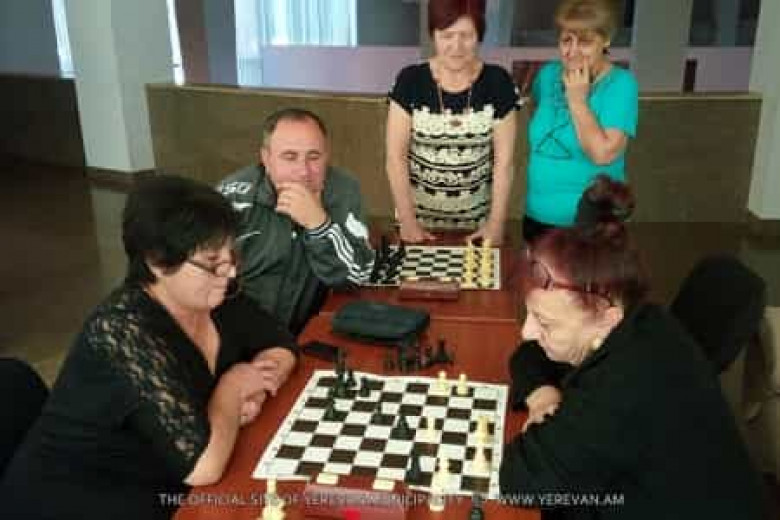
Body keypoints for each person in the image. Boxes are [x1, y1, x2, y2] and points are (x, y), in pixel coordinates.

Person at [1, 176, 299, 520]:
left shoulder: (213, 294)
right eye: (212, 260)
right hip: (77, 501)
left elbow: (280, 342)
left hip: (168, 488)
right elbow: (203, 467)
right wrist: (233, 388)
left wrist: (258, 387)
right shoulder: (123, 330)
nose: (229, 272)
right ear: (157, 261)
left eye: (231, 254)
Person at [500, 180, 767, 519]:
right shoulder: (639, 319)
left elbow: (519, 481)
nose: (527, 331)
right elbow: (528, 355)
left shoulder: (624, 383)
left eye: (544, 322)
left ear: (606, 318)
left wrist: (550, 428)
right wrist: (543, 398)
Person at [217, 108, 374, 336]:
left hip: (308, 336)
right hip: (237, 333)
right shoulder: (232, 198)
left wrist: (319, 225)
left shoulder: (343, 190)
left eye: (314, 157)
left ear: (327, 156)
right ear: (266, 158)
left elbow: (359, 277)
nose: (303, 171)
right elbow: (201, 286)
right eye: (290, 157)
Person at [386, 0, 518, 245]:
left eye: (466, 36)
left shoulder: (498, 81)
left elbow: (505, 163)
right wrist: (407, 221)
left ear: (479, 35)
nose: (456, 47)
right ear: (433, 35)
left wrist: (496, 224)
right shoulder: (410, 80)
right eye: (447, 36)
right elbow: (395, 158)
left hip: (478, 225)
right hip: (417, 223)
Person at [523, 0, 638, 244]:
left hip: (592, 225)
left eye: (585, 42)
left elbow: (602, 154)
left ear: (606, 40)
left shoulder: (621, 84)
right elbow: (535, 114)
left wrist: (577, 100)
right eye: (566, 40)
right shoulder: (547, 75)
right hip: (537, 217)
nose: (573, 51)